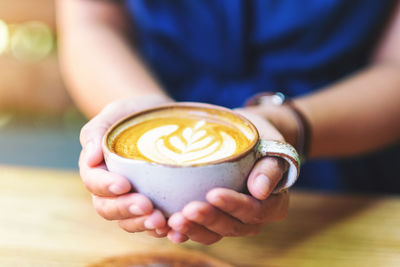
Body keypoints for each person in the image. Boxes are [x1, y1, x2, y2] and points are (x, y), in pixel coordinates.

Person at [56, 0, 400, 245]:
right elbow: (92, 22)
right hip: (143, 173)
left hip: (348, 171)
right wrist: (141, 110)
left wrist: (290, 125)